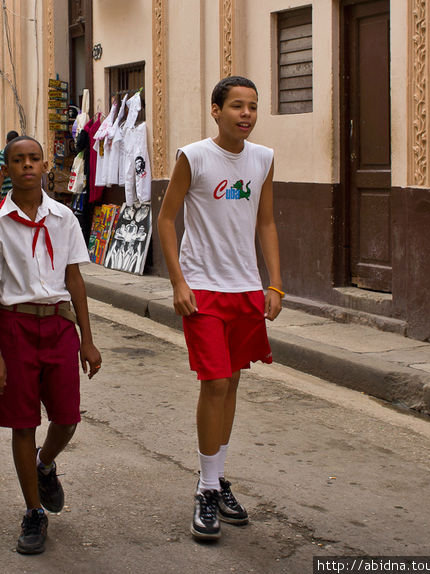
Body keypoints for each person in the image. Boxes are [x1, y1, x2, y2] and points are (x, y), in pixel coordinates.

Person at [156, 76, 283, 541]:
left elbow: (266, 221)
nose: (246, 114)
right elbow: (166, 219)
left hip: (245, 289)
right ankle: (207, 490)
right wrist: (178, 281)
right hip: (203, 290)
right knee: (213, 384)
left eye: (252, 107)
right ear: (216, 110)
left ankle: (216, 475)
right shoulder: (195, 157)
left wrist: (276, 284)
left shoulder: (263, 159)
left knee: (230, 385)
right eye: (236, 106)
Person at [0, 135, 102, 555]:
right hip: (16, 329)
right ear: (7, 168)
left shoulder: (64, 218)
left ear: (45, 166)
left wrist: (88, 340)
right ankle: (33, 511)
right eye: (17, 160)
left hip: (59, 326)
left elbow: (75, 279)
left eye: (33, 158)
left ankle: (44, 464)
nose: (26, 165)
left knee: (67, 418)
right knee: (22, 422)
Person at [0, 130, 19, 202]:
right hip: (20, 190)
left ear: (6, 141)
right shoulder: (22, 153)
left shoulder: (3, 153)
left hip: (7, 191)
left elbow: (2, 174)